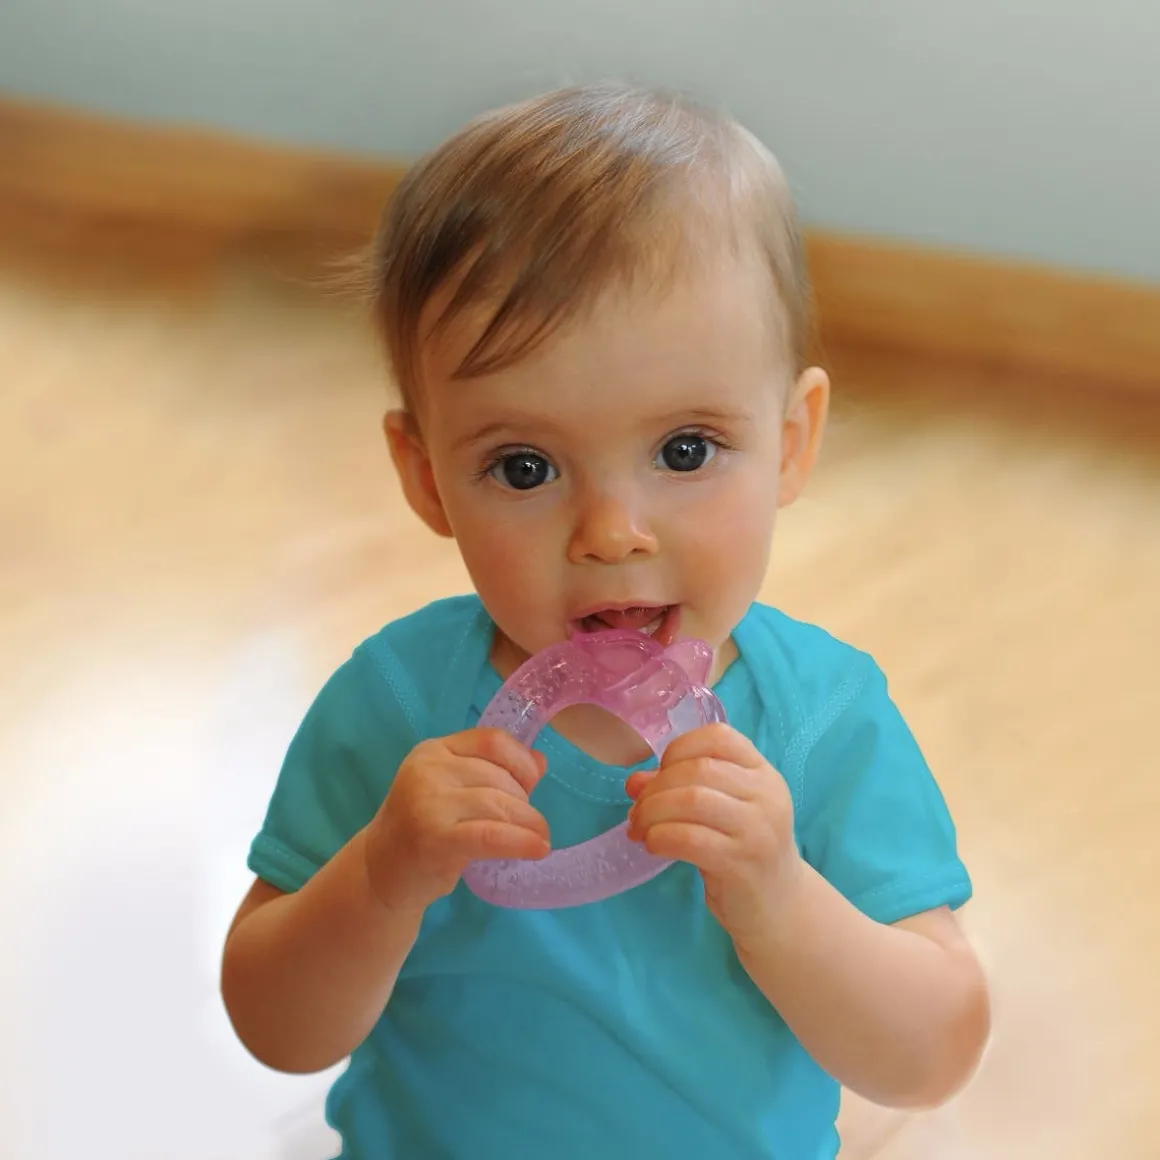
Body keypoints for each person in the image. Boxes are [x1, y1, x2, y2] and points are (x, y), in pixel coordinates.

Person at [220, 82, 990, 1159]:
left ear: (791, 440)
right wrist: (381, 876)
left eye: (684, 449)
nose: (611, 530)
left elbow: (928, 1054)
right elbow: (274, 1026)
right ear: (427, 475)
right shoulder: (396, 703)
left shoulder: (822, 720)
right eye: (523, 466)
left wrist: (779, 896)